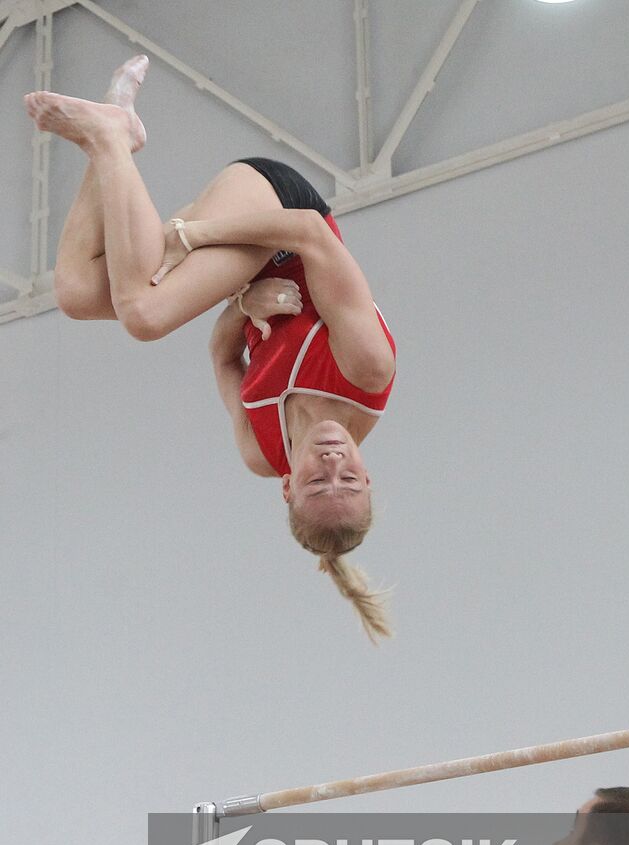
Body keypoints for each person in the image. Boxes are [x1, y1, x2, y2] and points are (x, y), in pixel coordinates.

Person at [23, 56, 396, 642]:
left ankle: (114, 135)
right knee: (144, 314)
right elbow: (311, 233)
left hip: (242, 263)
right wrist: (192, 235)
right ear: (369, 476)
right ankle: (111, 139)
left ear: (287, 486)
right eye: (348, 481)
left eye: (318, 484)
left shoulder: (260, 451)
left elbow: (225, 356)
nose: (332, 466)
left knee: (74, 293)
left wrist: (243, 308)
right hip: (279, 209)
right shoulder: (366, 372)